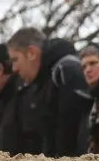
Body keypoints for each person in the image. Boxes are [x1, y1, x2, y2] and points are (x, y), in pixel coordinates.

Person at [6, 27, 92, 157]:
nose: (14, 69)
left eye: (15, 60)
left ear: (31, 53)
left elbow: (77, 132)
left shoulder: (66, 70)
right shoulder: (45, 81)